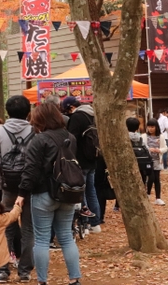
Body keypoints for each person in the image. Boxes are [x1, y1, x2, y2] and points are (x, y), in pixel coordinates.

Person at [16, 102, 82, 285]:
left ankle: (42, 281)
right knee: (67, 237)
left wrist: (22, 193)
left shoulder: (39, 139)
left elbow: (31, 169)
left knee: (42, 240)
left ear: (39, 119)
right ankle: (75, 279)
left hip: (43, 194)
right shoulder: (70, 137)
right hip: (67, 192)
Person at [0, 95, 34, 283]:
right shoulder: (35, 131)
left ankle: (3, 270)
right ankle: (24, 271)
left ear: (8, 111)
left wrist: (2, 183)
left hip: (8, 187)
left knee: (7, 227)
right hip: (30, 188)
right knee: (28, 229)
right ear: (28, 112)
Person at [62, 96, 101, 233]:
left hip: (81, 160)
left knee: (81, 191)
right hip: (93, 159)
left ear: (71, 107)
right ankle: (95, 223)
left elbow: (71, 139)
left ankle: (84, 222)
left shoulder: (77, 117)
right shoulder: (92, 115)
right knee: (92, 190)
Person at [143, 119, 167, 206]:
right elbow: (143, 147)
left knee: (157, 179)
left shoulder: (160, 137)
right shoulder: (144, 136)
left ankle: (158, 198)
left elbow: (165, 148)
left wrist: (159, 150)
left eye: (152, 127)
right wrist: (149, 149)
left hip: (157, 160)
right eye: (149, 127)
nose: (150, 129)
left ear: (156, 127)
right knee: (151, 177)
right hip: (148, 160)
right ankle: (148, 193)